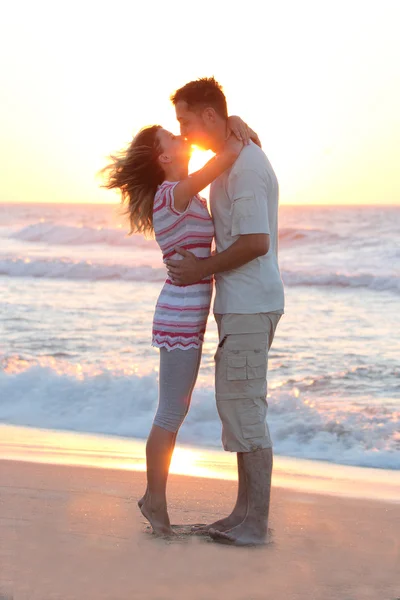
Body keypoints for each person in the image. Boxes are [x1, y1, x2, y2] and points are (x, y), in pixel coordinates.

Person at [102, 115, 257, 536]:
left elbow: (217, 161)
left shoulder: (178, 193)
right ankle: (154, 502)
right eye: (172, 136)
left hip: (186, 309)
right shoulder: (173, 192)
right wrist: (235, 131)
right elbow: (221, 161)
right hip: (180, 312)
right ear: (163, 156)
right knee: (171, 410)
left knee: (176, 409)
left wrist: (232, 124)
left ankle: (154, 499)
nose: (181, 136)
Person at [166, 77, 285, 546]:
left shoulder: (245, 168)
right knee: (237, 407)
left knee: (246, 410)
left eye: (186, 120)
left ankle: (256, 523)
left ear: (210, 116)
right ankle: (243, 512)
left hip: (251, 305)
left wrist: (201, 269)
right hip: (241, 304)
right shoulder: (230, 159)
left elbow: (257, 242)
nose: (184, 129)